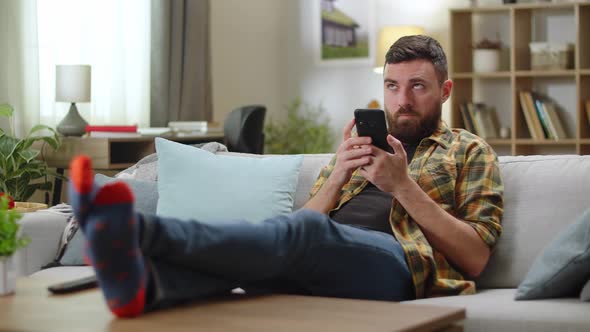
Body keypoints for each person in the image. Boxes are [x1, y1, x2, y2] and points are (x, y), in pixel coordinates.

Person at [68, 35, 503, 318]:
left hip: (401, 266)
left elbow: (476, 258)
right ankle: (144, 286)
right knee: (260, 259)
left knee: (306, 234)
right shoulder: (361, 147)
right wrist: (337, 177)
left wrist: (402, 187)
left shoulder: (468, 150)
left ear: (445, 90)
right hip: (323, 252)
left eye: (418, 86)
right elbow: (304, 221)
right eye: (392, 86)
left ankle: (137, 231)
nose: (402, 100)